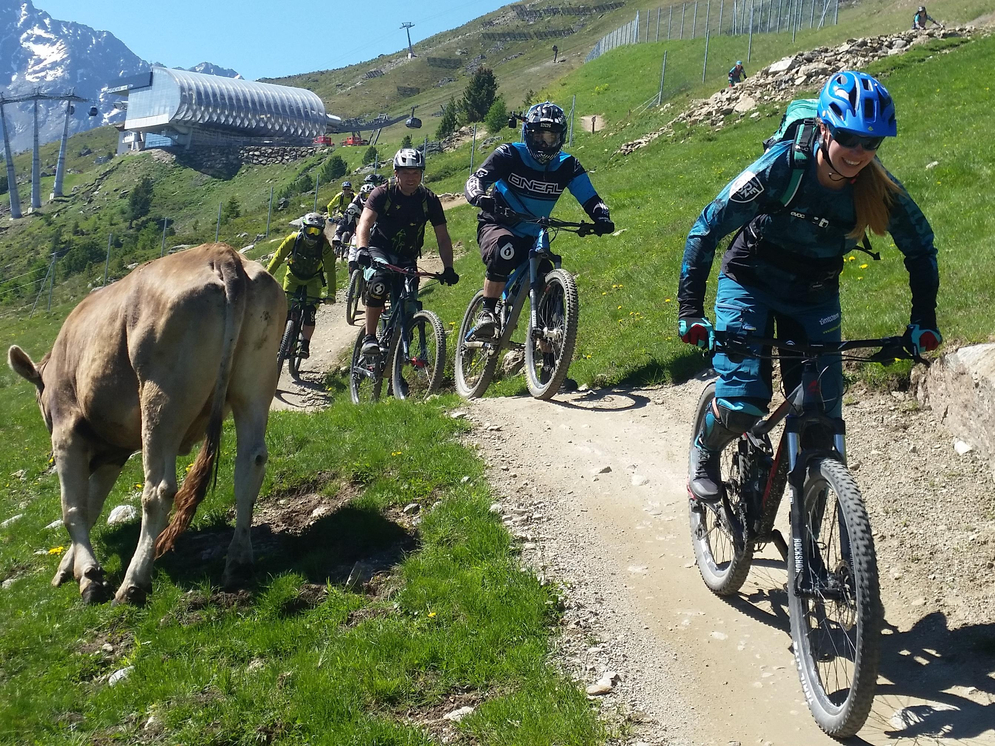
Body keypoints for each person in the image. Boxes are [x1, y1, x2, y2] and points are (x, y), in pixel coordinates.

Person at [678, 71, 940, 502]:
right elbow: (707, 228)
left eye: (870, 142)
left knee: (822, 424)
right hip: (750, 281)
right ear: (823, 128)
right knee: (743, 404)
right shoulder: (782, 168)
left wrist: (923, 320)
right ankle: (704, 451)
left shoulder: (878, 188)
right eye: (847, 136)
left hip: (814, 295)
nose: (859, 151)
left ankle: (818, 541)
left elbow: (921, 249)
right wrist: (690, 308)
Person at [464, 101, 614, 339]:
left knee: (550, 292)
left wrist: (601, 216)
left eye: (551, 137)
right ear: (527, 135)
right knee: (506, 249)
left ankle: (550, 363)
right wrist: (479, 196)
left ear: (560, 138)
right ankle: (487, 314)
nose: (544, 143)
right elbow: (476, 179)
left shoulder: (568, 165)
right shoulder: (509, 154)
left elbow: (590, 197)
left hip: (534, 235)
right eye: (538, 136)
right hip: (497, 224)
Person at [354, 148, 460, 357]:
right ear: (396, 173)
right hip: (379, 249)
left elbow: (443, 237)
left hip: (407, 255)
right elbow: (364, 223)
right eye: (406, 172)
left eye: (416, 173)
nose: (411, 178)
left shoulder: (428, 199)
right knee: (379, 282)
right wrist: (362, 249)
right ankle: (370, 338)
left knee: (410, 298)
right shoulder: (382, 193)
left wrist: (448, 267)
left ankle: (402, 348)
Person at [266, 212, 336, 359]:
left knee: (310, 312)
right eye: (310, 230)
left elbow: (330, 271)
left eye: (316, 231)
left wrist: (331, 294)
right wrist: (266, 278)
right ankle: (284, 340)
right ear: (303, 229)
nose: (312, 235)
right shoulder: (293, 239)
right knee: (286, 309)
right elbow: (278, 259)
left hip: (313, 280)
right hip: (293, 277)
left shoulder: (324, 247)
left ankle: (305, 344)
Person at [336, 182, 375, 267]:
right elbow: (345, 219)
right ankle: (352, 275)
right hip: (358, 235)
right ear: (361, 196)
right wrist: (338, 234)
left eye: (370, 196)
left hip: (376, 237)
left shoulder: (381, 207)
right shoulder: (353, 207)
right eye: (366, 196)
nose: (368, 199)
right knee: (352, 258)